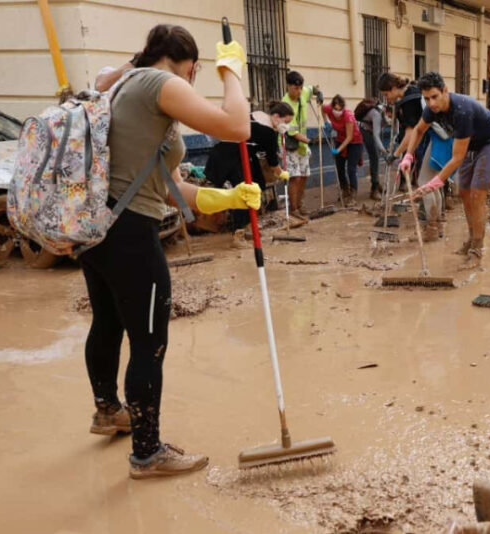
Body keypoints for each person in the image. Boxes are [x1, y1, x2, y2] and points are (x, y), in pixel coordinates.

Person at [80, 24, 259, 479]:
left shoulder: (125, 85)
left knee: (108, 321)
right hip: (130, 233)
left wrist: (226, 197)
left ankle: (109, 411)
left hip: (98, 227)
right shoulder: (163, 83)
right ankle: (147, 453)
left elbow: (169, 186)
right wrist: (232, 73)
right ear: (191, 67)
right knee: (149, 341)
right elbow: (238, 126)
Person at [403, 72, 490, 269]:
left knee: (477, 194)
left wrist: (436, 182)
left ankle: (477, 249)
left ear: (445, 91)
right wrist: (409, 155)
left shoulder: (462, 110)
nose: (431, 103)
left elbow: (457, 158)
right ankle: (471, 238)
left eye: (434, 96)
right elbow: (418, 130)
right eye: (426, 98)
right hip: (472, 144)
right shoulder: (431, 110)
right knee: (463, 192)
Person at [204, 101, 293, 246]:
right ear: (276, 116)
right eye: (286, 121)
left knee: (258, 184)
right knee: (245, 193)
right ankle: (237, 235)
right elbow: (272, 162)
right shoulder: (269, 131)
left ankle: (247, 226)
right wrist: (281, 173)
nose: (286, 126)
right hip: (231, 156)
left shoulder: (258, 115)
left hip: (237, 154)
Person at [377, 72, 427, 190]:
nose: (386, 98)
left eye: (386, 94)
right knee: (429, 180)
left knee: (426, 181)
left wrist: (394, 155)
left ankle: (428, 207)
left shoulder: (409, 101)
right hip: (429, 139)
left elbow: (410, 134)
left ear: (394, 88)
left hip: (430, 140)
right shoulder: (412, 91)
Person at [281, 71, 320, 219]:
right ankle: (293, 208)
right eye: (295, 89)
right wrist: (310, 141)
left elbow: (312, 89)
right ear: (288, 86)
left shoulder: (303, 92)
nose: (298, 91)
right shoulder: (284, 104)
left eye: (300, 88)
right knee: (295, 177)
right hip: (289, 145)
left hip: (303, 146)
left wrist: (319, 93)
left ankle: (300, 204)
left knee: (304, 176)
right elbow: (293, 133)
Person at [322, 94, 364, 206]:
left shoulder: (348, 116)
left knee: (351, 168)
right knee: (339, 167)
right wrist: (326, 122)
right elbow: (322, 108)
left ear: (343, 108)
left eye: (339, 109)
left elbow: (349, 137)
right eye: (335, 109)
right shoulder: (329, 109)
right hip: (340, 139)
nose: (337, 112)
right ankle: (344, 190)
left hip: (354, 141)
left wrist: (338, 150)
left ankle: (353, 195)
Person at [355, 98, 388, 200]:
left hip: (372, 130)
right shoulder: (377, 114)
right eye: (390, 117)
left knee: (376, 158)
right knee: (375, 158)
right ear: (386, 112)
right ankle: (374, 189)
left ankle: (376, 183)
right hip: (365, 130)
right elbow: (376, 135)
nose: (391, 119)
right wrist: (383, 149)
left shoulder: (385, 111)